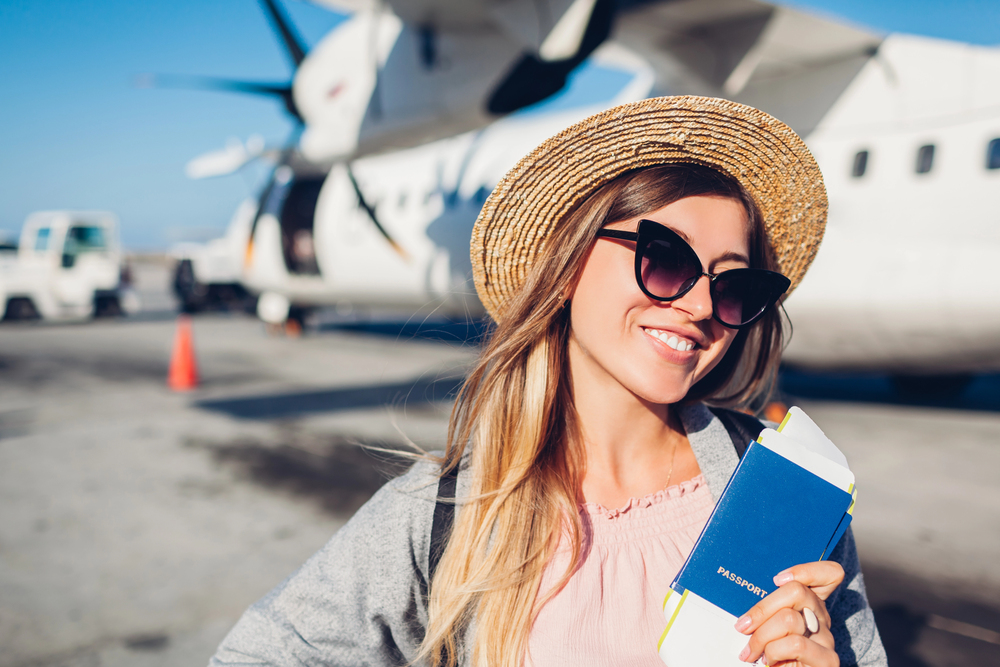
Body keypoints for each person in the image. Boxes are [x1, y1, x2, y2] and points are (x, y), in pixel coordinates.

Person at [209, 96, 887, 667]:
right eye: (666, 258)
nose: (703, 304)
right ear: (566, 267)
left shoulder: (784, 486)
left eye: (735, 285)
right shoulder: (446, 512)